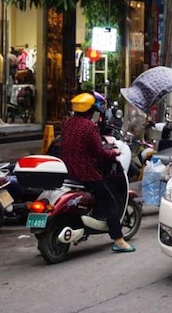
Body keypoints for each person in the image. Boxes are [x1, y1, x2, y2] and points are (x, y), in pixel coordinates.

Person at [59, 92, 134, 253]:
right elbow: (99, 152)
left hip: (67, 170)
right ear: (91, 110)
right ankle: (119, 240)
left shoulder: (67, 123)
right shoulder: (89, 126)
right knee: (109, 200)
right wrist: (114, 153)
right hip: (85, 172)